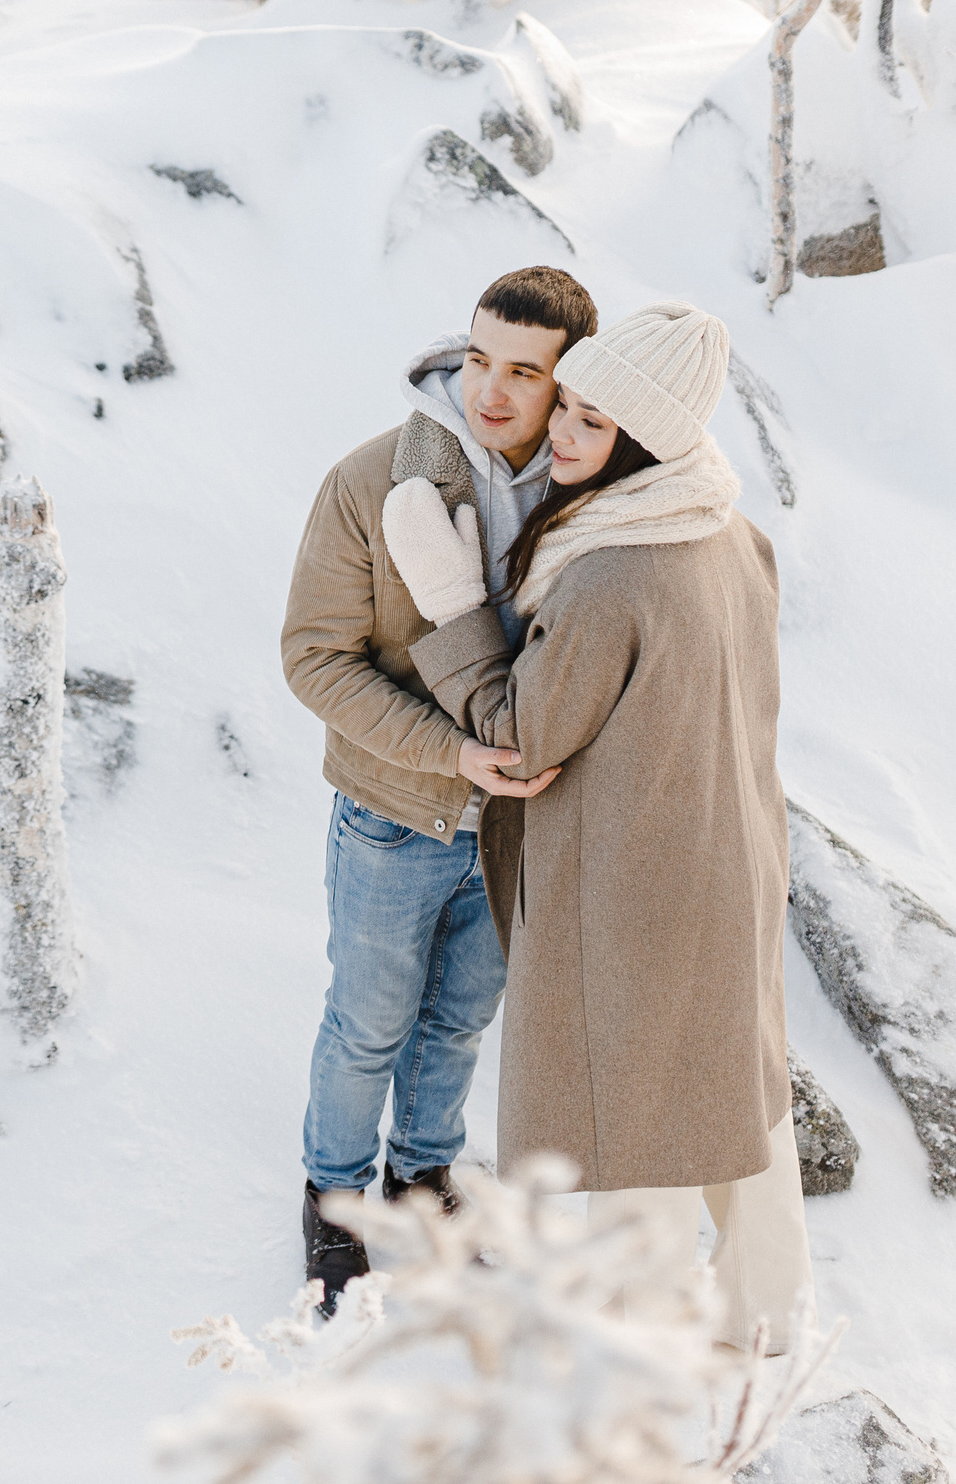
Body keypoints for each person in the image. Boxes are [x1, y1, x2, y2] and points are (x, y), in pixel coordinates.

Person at [381, 299, 813, 1353]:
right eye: (563, 408)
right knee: (736, 1098)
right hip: (733, 858)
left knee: (639, 1127)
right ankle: (766, 1317)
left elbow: (522, 738)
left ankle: (639, 1356)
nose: (560, 436)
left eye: (590, 424)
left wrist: (447, 610)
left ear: (647, 442)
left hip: (636, 885)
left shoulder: (613, 573)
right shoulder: (727, 529)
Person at [278, 266, 597, 1313]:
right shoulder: (373, 482)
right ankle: (335, 1201)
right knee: (368, 1023)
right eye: (476, 358)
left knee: (459, 1022)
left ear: (566, 383)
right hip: (393, 813)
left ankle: (422, 1177)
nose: (490, 390)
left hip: (516, 825)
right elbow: (314, 659)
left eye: (522, 370)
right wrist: (447, 754)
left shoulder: (585, 488)